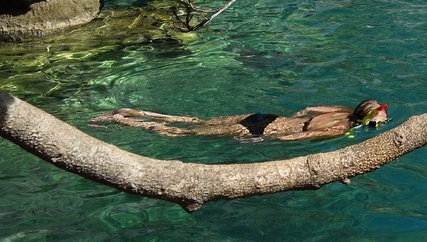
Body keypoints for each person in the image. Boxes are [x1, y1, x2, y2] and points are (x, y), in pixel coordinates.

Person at [93, 99, 389, 141]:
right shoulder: (340, 129)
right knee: (180, 135)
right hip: (262, 129)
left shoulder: (339, 111)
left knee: (193, 120)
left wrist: (294, 119)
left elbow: (308, 109)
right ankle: (124, 122)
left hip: (265, 116)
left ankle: (135, 111)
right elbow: (297, 138)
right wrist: (267, 141)